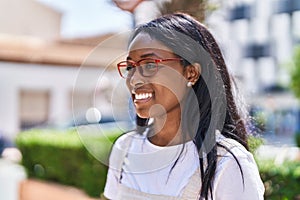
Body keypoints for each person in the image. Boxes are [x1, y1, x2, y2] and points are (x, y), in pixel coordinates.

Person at [104, 13, 264, 200]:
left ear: (191, 73)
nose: (135, 79)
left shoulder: (227, 163)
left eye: (149, 64)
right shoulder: (125, 149)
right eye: (130, 67)